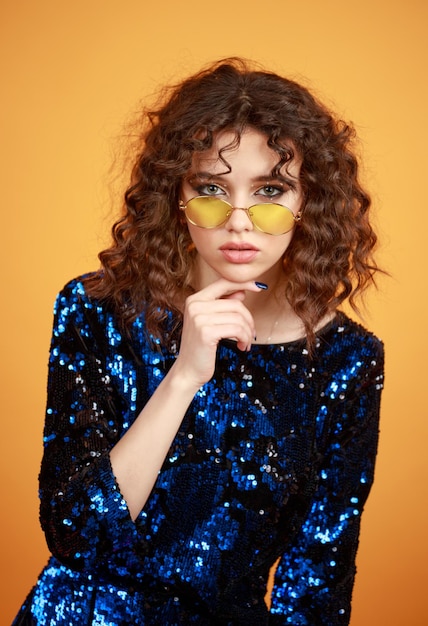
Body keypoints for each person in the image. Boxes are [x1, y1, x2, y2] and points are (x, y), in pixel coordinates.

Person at [13, 57, 384, 626]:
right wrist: (184, 376)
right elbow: (76, 534)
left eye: (270, 190)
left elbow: (319, 579)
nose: (239, 220)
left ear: (306, 201)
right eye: (211, 187)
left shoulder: (347, 360)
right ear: (176, 196)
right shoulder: (96, 312)